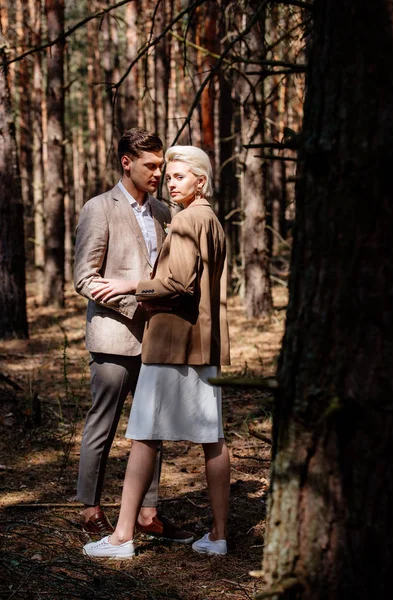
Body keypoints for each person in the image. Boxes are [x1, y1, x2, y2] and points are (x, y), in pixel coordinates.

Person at [82, 145, 231, 559]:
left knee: (144, 436)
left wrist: (130, 287)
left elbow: (178, 283)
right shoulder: (211, 220)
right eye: (169, 176)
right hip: (204, 343)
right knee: (213, 439)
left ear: (200, 181)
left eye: (179, 176)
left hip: (171, 342)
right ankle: (218, 536)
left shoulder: (185, 220)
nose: (170, 182)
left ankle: (121, 537)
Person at [74, 128, 194, 544]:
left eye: (162, 166)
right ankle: (90, 510)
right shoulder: (98, 208)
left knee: (152, 426)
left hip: (156, 339)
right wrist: (133, 304)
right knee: (103, 423)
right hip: (112, 337)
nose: (159, 173)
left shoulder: (164, 213)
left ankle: (147, 512)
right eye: (151, 165)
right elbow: (85, 278)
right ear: (127, 162)